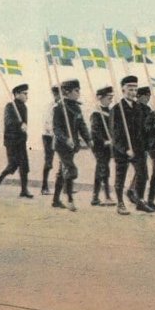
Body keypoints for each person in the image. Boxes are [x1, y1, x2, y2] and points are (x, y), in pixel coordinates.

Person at [111, 76, 154, 214]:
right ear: (123, 89)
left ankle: (140, 200)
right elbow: (115, 134)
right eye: (130, 89)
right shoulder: (117, 109)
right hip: (122, 150)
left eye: (135, 89)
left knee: (143, 175)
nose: (133, 92)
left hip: (138, 148)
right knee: (121, 176)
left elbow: (145, 129)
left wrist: (154, 124)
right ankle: (120, 203)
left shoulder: (140, 108)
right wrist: (125, 149)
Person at [52, 79, 92, 212]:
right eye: (76, 90)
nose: (78, 93)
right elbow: (56, 128)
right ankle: (69, 200)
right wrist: (66, 139)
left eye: (79, 90)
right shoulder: (59, 107)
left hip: (72, 145)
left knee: (62, 172)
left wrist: (88, 139)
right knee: (70, 169)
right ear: (67, 92)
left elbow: (82, 126)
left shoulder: (76, 107)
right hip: (62, 145)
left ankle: (55, 200)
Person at [0, 84, 32, 198]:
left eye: (27, 93)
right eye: (24, 93)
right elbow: (8, 122)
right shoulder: (10, 106)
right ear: (16, 94)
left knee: (24, 166)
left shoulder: (24, 107)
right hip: (12, 141)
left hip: (21, 141)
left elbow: (24, 124)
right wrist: (20, 124)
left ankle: (24, 190)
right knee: (13, 165)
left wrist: (24, 128)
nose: (27, 96)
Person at [90, 86, 115, 206]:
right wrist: (104, 141)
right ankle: (101, 197)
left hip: (108, 146)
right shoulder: (96, 113)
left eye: (112, 98)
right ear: (101, 98)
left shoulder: (110, 112)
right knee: (102, 169)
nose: (111, 100)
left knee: (103, 169)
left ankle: (100, 197)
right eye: (109, 98)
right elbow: (95, 131)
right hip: (99, 146)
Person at [130, 86, 152, 205]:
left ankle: (131, 191)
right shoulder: (134, 108)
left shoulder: (147, 109)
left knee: (141, 171)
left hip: (143, 145)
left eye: (149, 96)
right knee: (142, 173)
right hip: (136, 145)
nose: (148, 98)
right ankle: (138, 197)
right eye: (146, 96)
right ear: (139, 96)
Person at [41, 86, 59, 195]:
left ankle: (65, 187)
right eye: (57, 94)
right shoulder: (50, 107)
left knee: (64, 161)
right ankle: (44, 186)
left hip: (58, 136)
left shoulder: (62, 106)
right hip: (49, 136)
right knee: (49, 161)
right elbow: (47, 123)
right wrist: (54, 132)